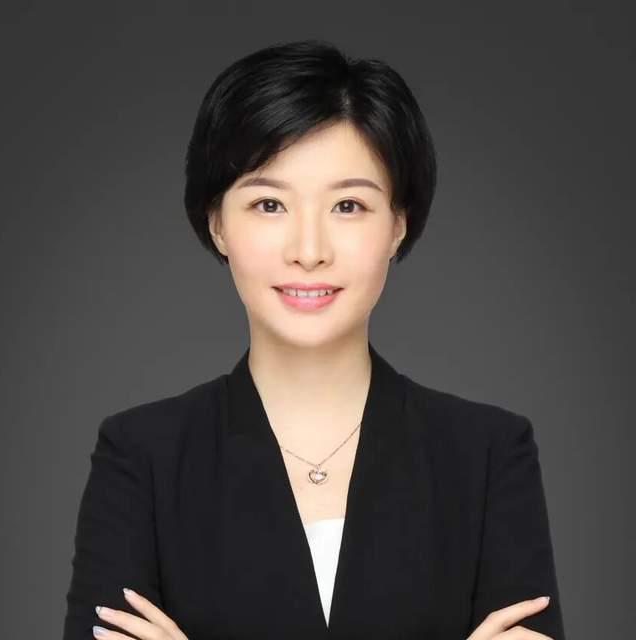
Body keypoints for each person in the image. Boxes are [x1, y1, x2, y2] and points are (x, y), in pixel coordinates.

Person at [62, 39, 566, 640]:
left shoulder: (488, 455)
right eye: (269, 204)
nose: (309, 250)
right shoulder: (141, 456)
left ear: (397, 224)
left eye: (348, 205)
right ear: (217, 222)